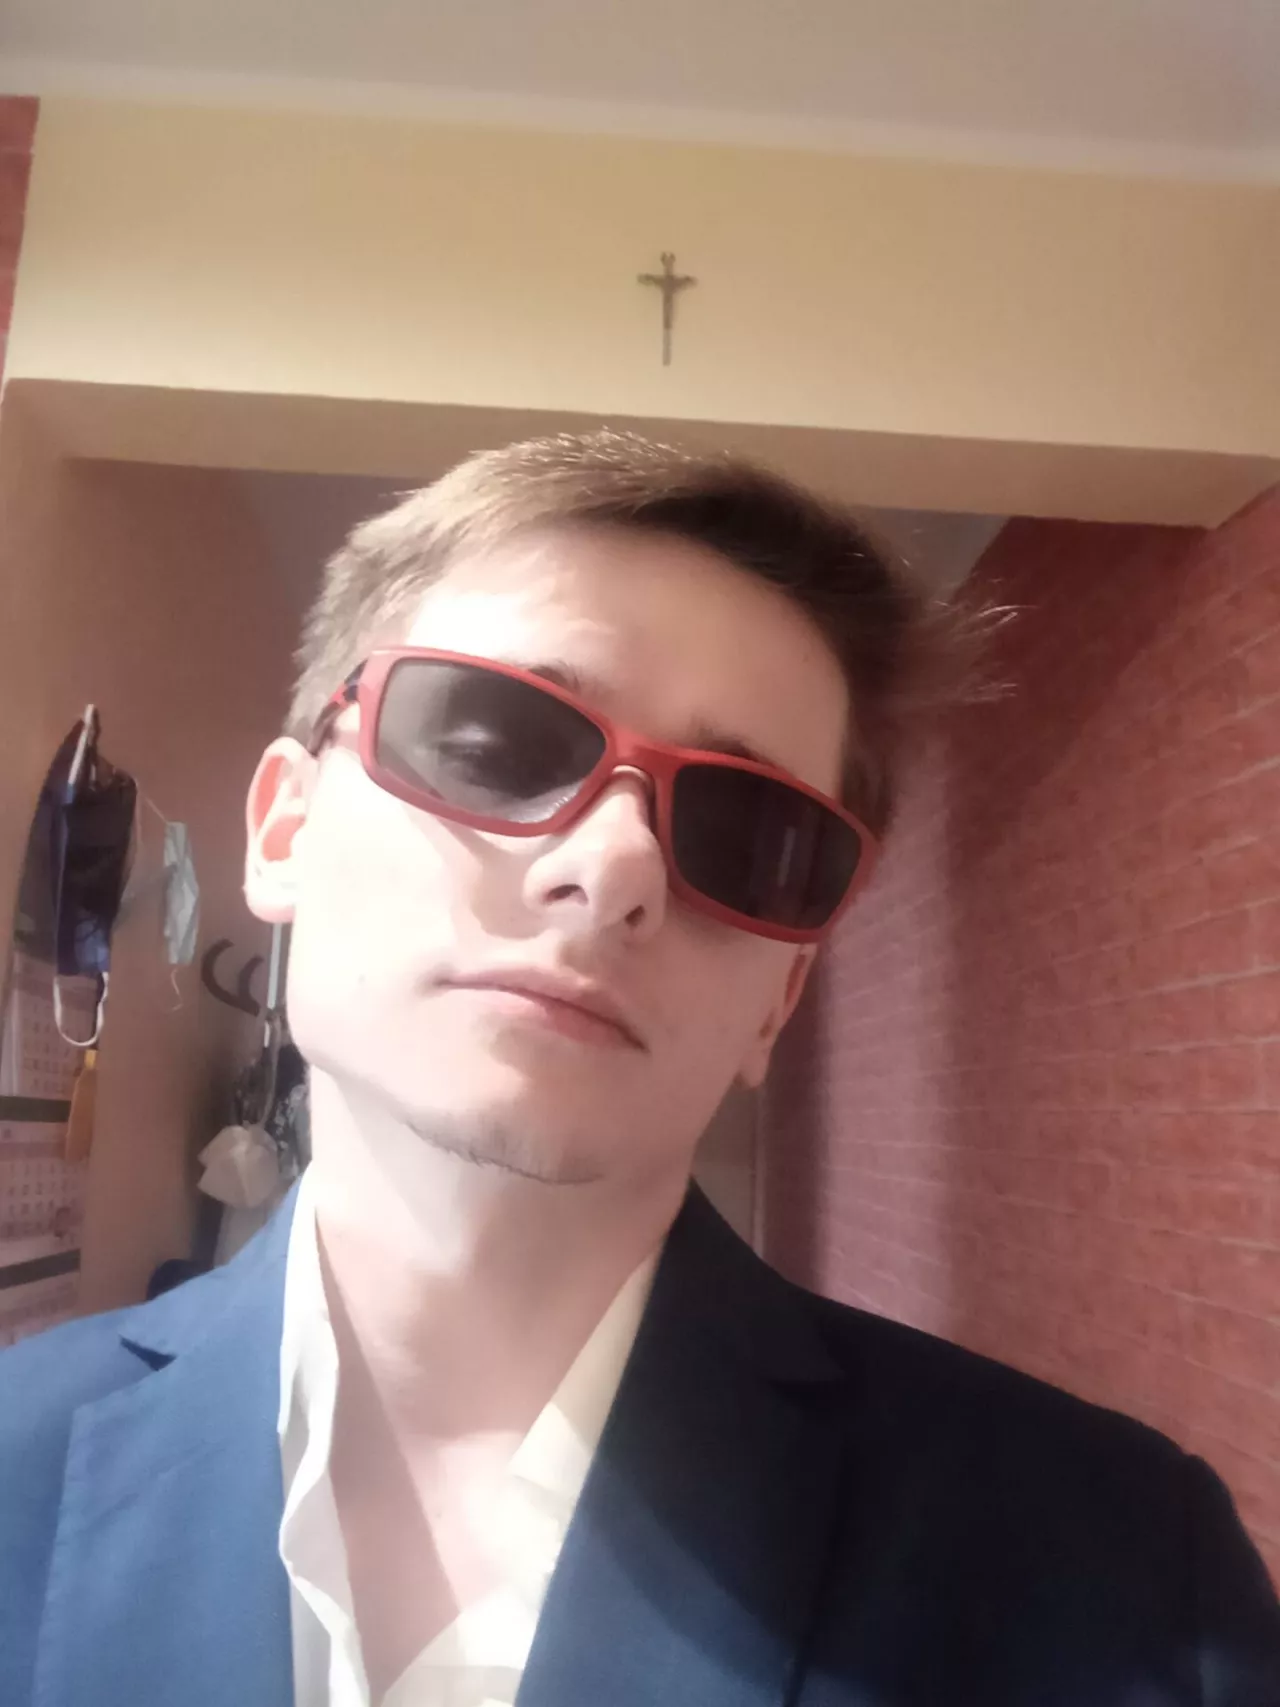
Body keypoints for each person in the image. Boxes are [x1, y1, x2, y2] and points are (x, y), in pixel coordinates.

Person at [1, 431, 1276, 1707]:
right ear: (283, 830)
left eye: (750, 830)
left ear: (781, 995)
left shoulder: (1130, 1588)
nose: (614, 868)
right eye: (493, 740)